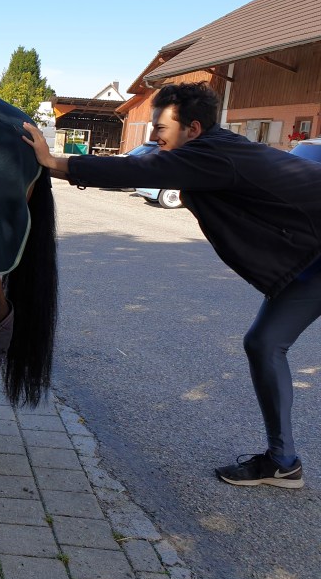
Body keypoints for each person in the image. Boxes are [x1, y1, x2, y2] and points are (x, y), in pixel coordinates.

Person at [22, 81, 321, 489]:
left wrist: (53, 161)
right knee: (264, 344)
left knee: (265, 344)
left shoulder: (211, 156)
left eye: (160, 128)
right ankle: (283, 462)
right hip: (309, 262)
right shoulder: (214, 148)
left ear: (192, 129)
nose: (154, 136)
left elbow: (135, 171)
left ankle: (282, 459)